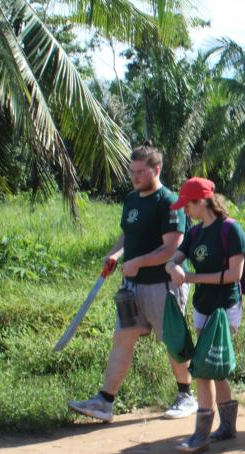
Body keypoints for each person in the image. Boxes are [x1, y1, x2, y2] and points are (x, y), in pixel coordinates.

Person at [68, 142, 197, 422]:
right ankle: (105, 401)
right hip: (132, 287)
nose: (135, 177)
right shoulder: (131, 199)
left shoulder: (170, 202)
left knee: (174, 340)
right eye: (132, 172)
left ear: (156, 170)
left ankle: (186, 395)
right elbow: (127, 235)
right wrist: (116, 254)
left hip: (163, 285)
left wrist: (137, 263)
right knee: (122, 339)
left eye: (140, 172)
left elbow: (171, 249)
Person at [165, 178, 245, 454]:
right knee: (212, 366)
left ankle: (201, 435)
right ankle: (227, 426)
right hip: (202, 306)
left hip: (226, 308)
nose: (184, 211)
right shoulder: (194, 233)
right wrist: (173, 268)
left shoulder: (230, 230)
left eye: (187, 205)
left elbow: (235, 275)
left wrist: (191, 276)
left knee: (203, 368)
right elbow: (173, 259)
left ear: (201, 202)